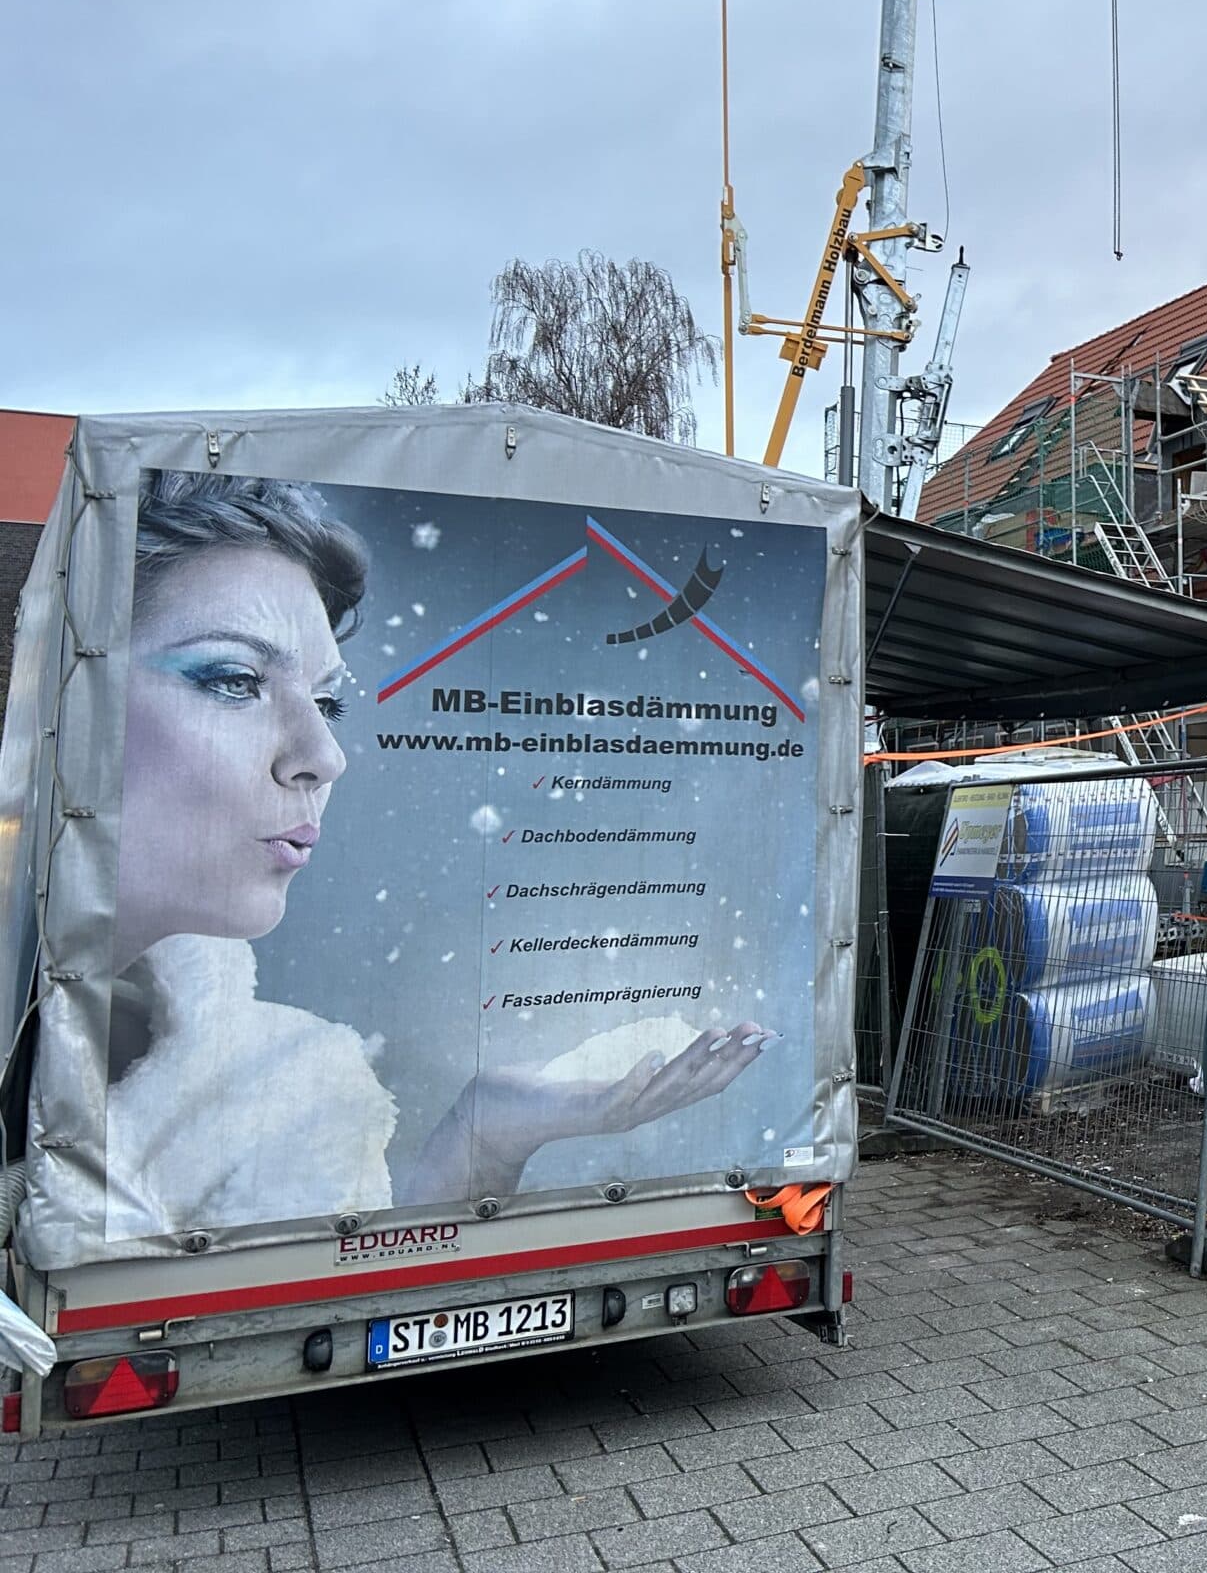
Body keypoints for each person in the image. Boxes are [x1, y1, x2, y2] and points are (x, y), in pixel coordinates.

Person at [79, 470, 767, 1242]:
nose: (323, 755)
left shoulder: (295, 1078)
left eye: (327, 701)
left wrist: (490, 1128)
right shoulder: (44, 1051)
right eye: (236, 680)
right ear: (75, 696)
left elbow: (355, 1269)